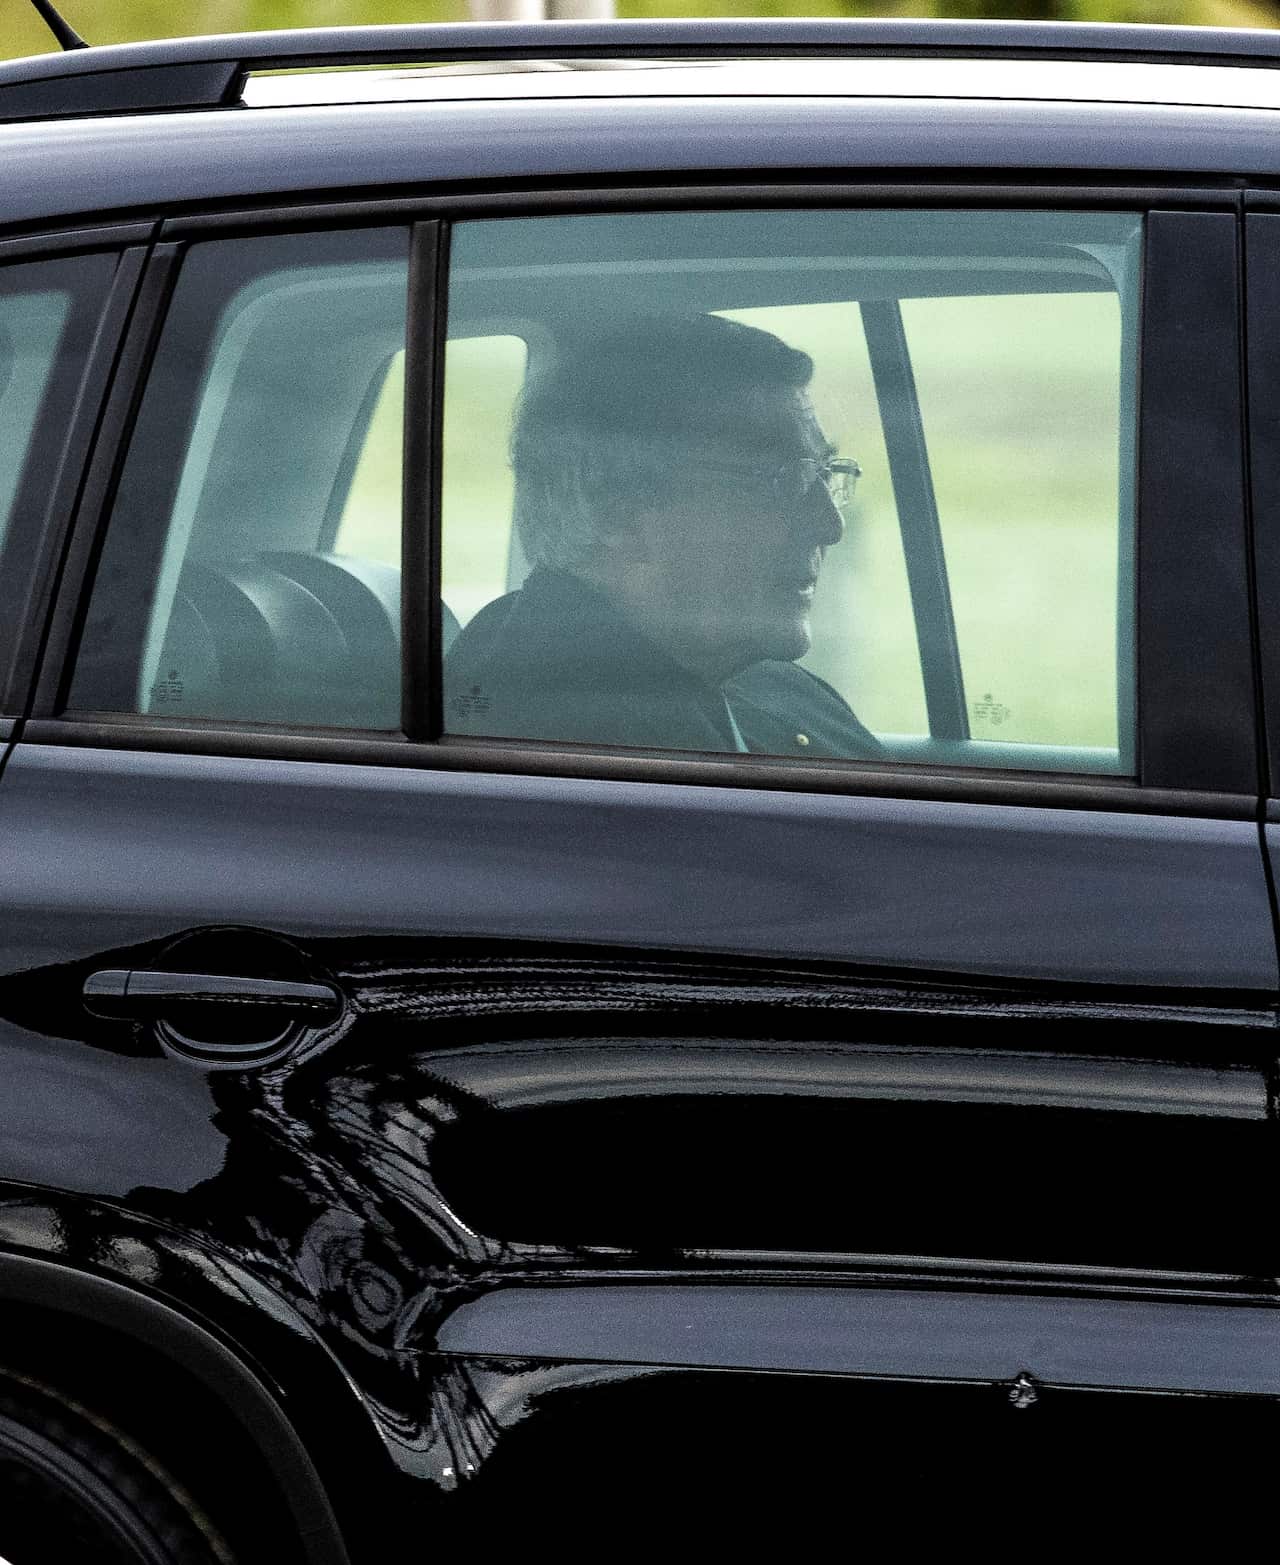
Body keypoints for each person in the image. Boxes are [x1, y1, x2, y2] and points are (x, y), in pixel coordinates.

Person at [444, 313, 882, 759]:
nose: (830, 525)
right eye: (782, 480)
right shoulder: (563, 748)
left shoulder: (756, 674)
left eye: (824, 474)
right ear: (619, 516)